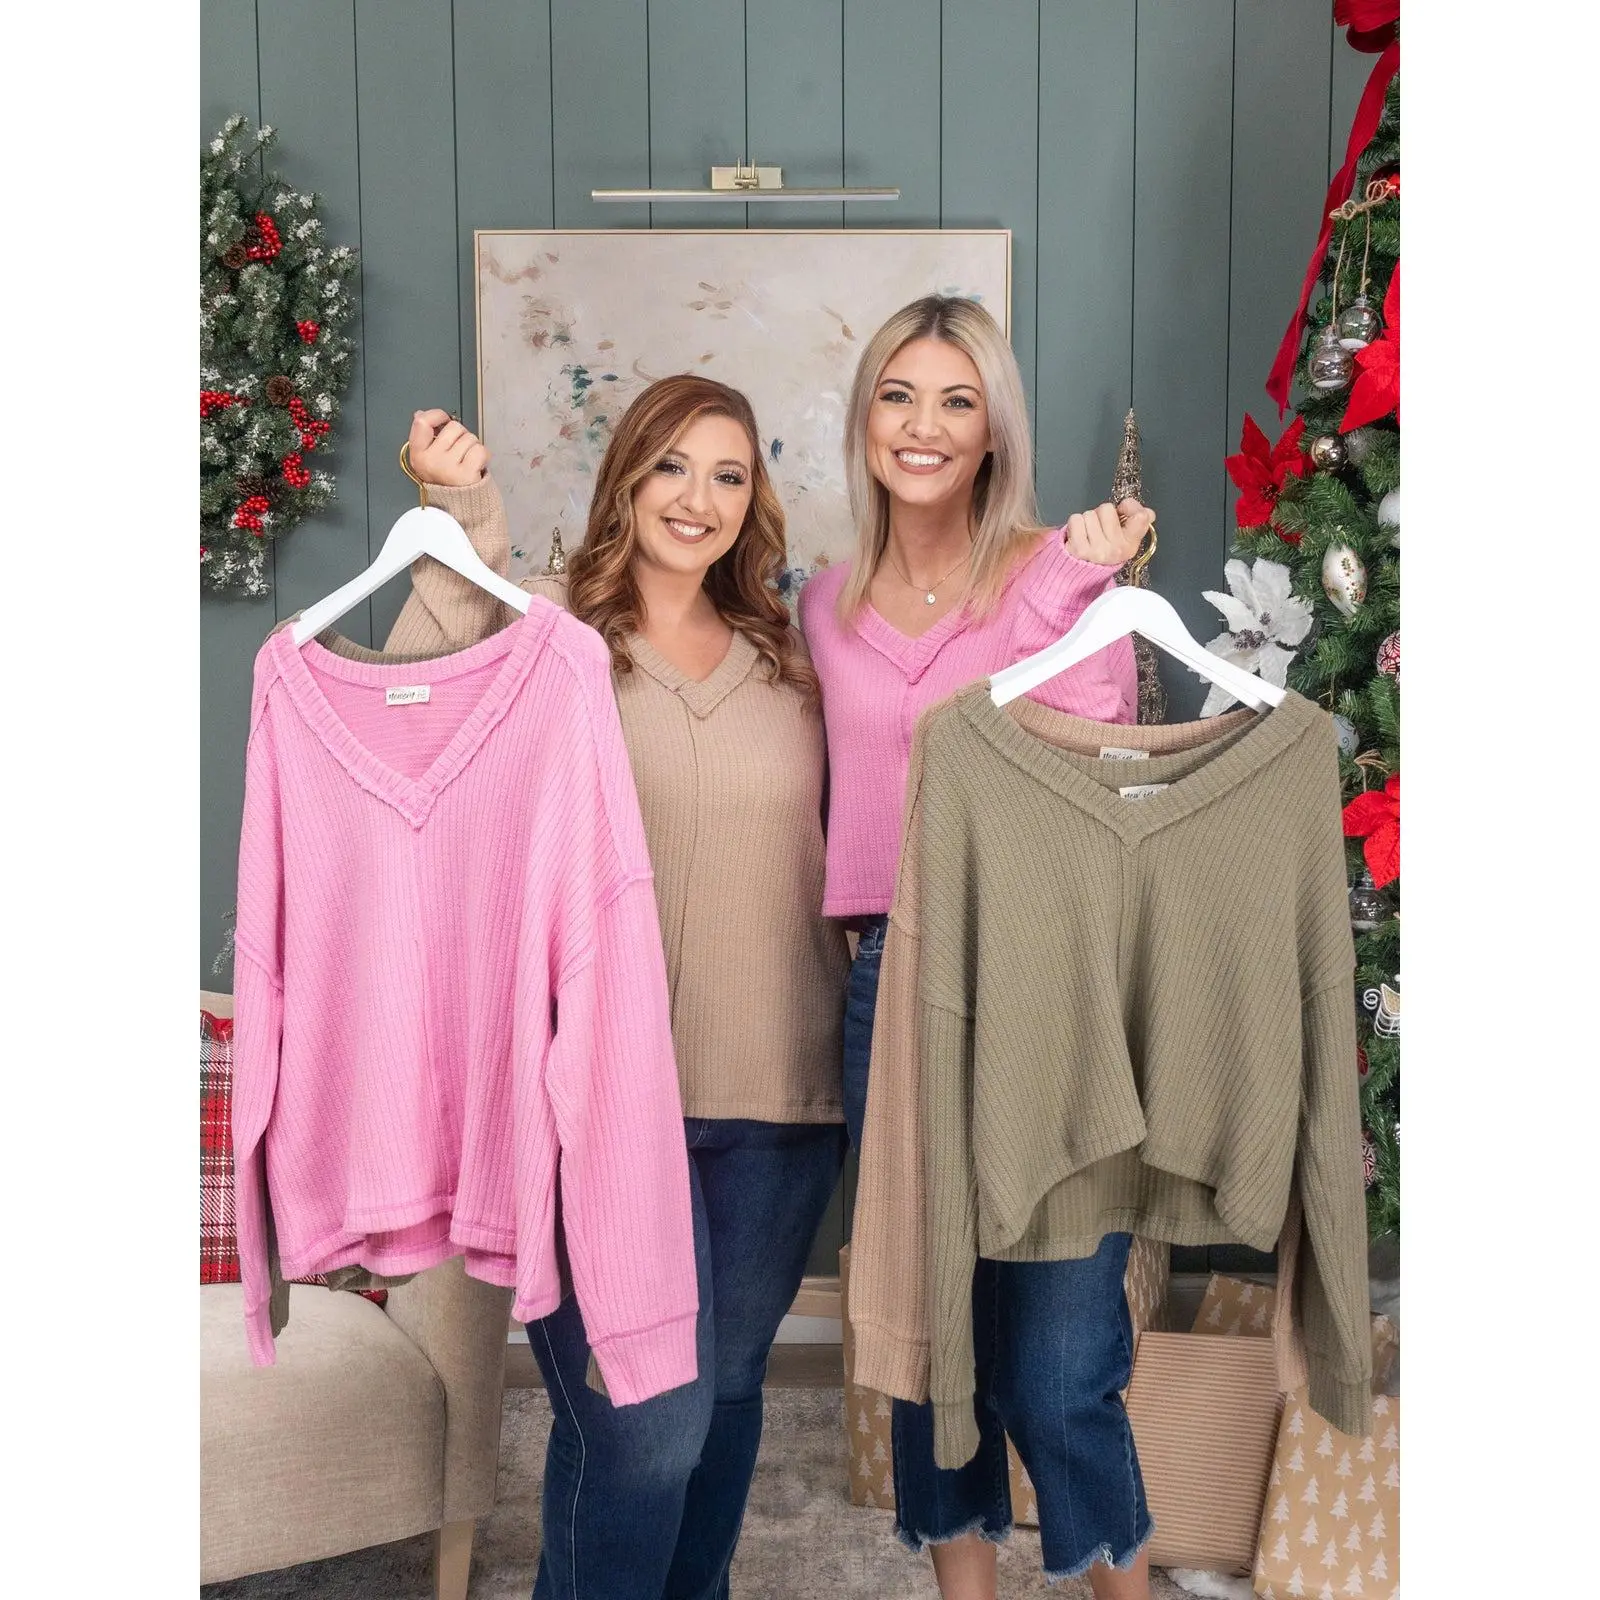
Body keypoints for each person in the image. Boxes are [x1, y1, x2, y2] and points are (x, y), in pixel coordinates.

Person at [379, 378, 850, 1600]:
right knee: (644, 1428)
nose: (699, 498)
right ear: (627, 478)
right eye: (672, 466)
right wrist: (462, 511)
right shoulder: (549, 631)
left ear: (754, 501)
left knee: (725, 1393)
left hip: (778, 1096)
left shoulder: (793, 659)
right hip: (591, 1105)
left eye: (729, 474)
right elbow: (415, 689)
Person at [797, 294, 1155, 1600]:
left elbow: (1086, 763)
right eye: (899, 395)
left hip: (1043, 983)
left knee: (1058, 1371)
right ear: (865, 419)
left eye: (958, 400)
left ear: (994, 427)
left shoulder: (1058, 576)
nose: (925, 425)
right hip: (889, 985)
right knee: (928, 1342)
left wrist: (1064, 588)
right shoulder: (824, 606)